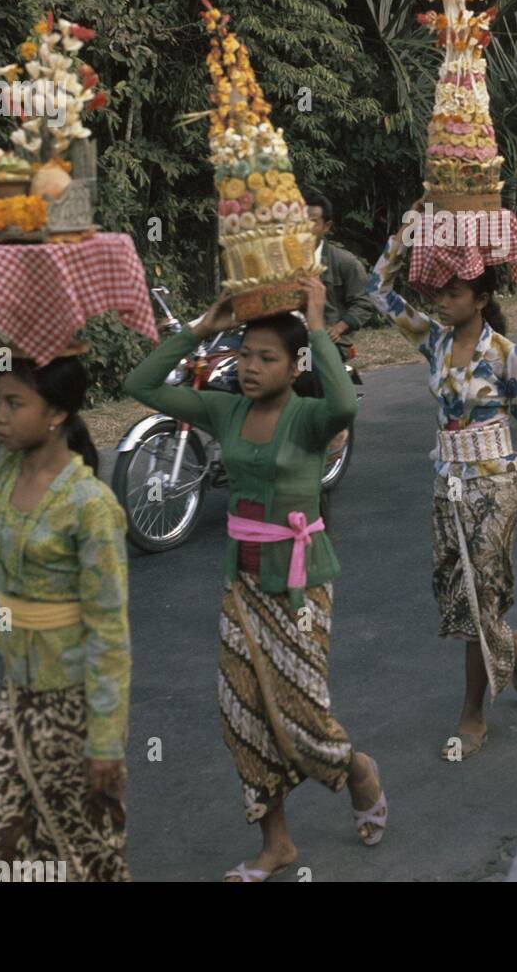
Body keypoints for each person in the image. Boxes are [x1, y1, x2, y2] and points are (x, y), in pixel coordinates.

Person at [123, 274, 386, 882]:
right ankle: (277, 845)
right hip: (240, 588)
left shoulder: (312, 417)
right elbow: (137, 385)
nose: (249, 366)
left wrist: (317, 325)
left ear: (295, 366)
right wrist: (201, 331)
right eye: (243, 354)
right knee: (242, 715)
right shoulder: (225, 408)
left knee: (304, 715)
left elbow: (345, 403)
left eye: (266, 358)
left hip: (299, 586)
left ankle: (357, 770)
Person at [0, 306, 131, 882]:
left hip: (74, 711)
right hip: (16, 699)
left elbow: (110, 633)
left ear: (57, 413)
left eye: (14, 403)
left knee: (88, 858)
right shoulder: (3, 464)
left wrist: (106, 743)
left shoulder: (90, 507)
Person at [366, 204, 517, 759]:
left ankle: (473, 713)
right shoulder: (431, 341)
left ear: (481, 299)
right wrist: (404, 235)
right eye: (441, 293)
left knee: (481, 595)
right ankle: (516, 643)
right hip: (446, 486)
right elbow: (378, 291)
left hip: (497, 484)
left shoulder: (506, 356)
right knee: (457, 595)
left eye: (455, 293)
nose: (443, 301)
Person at [304, 190, 375, 358]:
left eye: (312, 222)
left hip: (328, 342)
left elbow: (365, 302)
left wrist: (338, 328)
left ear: (326, 226)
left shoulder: (344, 262)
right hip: (289, 338)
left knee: (305, 371)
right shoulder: (281, 261)